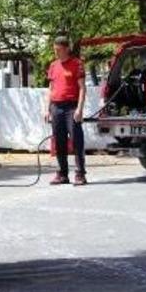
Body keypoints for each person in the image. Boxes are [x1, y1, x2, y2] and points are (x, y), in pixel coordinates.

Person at [44, 35, 87, 186]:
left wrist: (79, 109)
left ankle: (80, 174)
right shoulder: (53, 66)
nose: (56, 52)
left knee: (76, 141)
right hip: (56, 107)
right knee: (59, 141)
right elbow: (50, 89)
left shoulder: (77, 64)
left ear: (66, 49)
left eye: (59, 50)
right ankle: (62, 174)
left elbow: (82, 88)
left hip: (72, 107)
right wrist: (47, 109)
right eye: (55, 49)